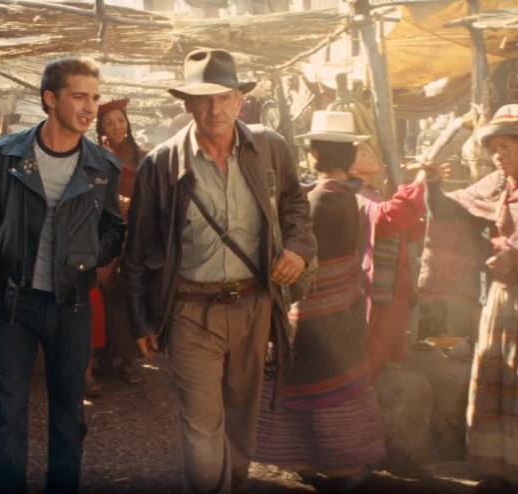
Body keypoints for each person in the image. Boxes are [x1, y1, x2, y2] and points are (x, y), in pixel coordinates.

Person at [123, 49, 316, 493]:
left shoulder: (269, 147)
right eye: (203, 99)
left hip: (254, 304)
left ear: (239, 101)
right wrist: (140, 320)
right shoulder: (161, 164)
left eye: (224, 97)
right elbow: (137, 249)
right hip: (190, 311)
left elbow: (295, 204)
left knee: (241, 417)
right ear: (188, 104)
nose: (215, 109)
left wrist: (298, 248)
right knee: (202, 425)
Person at [0, 57, 125, 494]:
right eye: (79, 96)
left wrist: (91, 254)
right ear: (50, 99)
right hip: (13, 304)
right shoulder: (5, 156)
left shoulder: (103, 166)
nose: (90, 107)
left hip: (72, 306)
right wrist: (2, 242)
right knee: (9, 416)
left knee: (69, 417)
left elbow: (114, 227)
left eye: (95, 98)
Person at [424, 104, 518, 491]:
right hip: (503, 300)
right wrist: (433, 184)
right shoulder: (496, 184)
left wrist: (516, 255)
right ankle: (500, 468)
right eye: (493, 148)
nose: (497, 156)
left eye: (506, 147)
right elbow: (452, 211)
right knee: (499, 377)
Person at [255, 111, 386, 489]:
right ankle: (341, 463)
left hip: (313, 315)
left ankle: (325, 463)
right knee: (341, 388)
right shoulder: (351, 197)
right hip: (346, 310)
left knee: (310, 389)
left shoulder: (314, 201)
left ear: (313, 153)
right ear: (350, 155)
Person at [349, 144, 427, 377]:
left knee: (391, 350)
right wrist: (419, 182)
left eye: (370, 149)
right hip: (373, 289)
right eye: (363, 152)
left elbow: (403, 231)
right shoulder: (353, 194)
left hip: (394, 286)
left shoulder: (373, 192)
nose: (371, 154)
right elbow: (389, 218)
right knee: (373, 351)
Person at [93, 97, 147, 390]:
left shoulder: (143, 157)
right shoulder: (95, 157)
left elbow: (152, 197)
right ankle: (103, 356)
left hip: (135, 234)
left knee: (129, 294)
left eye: (120, 121)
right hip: (105, 232)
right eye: (109, 123)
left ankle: (128, 360)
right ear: (101, 127)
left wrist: (134, 205)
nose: (117, 127)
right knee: (104, 293)